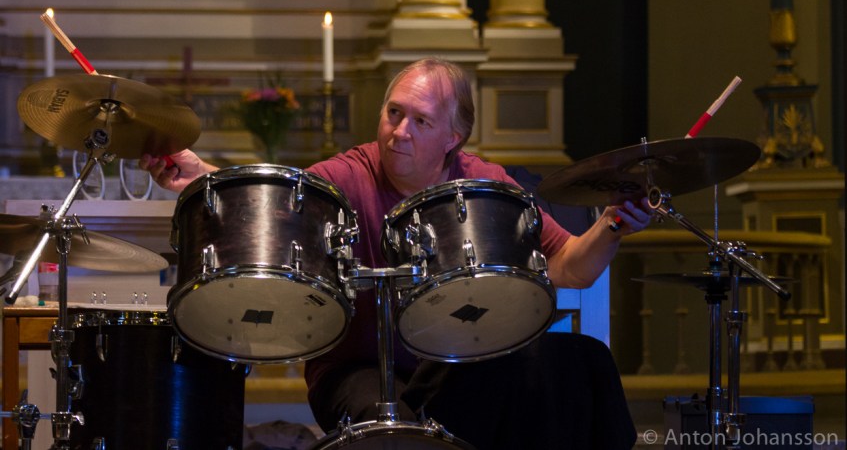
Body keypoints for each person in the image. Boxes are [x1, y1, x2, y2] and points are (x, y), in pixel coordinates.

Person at [141, 57, 652, 449]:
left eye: (421, 122)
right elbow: (268, 202)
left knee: (570, 364)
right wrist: (201, 174)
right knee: (395, 440)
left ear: (453, 137)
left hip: (458, 367)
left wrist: (612, 224)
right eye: (393, 113)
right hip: (355, 369)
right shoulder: (347, 176)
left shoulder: (482, 182)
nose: (398, 132)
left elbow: (569, 267)